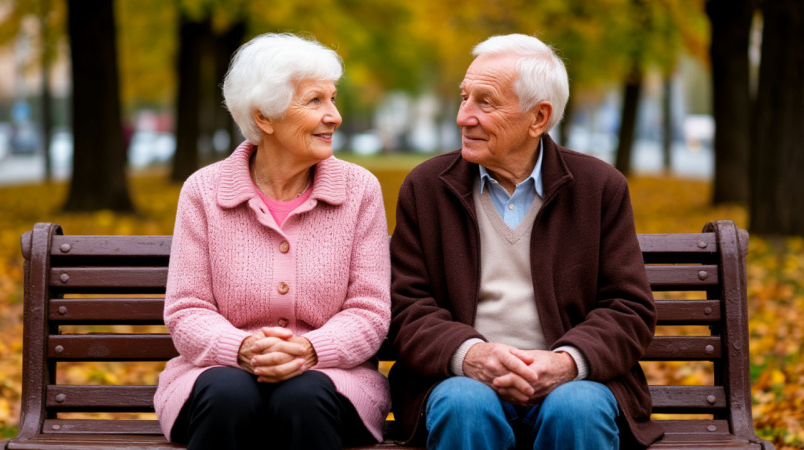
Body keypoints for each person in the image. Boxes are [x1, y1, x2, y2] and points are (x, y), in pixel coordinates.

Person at [388, 34, 663, 450]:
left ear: (539, 118)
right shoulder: (426, 189)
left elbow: (628, 308)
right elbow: (407, 306)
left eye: (485, 102)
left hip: (572, 383)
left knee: (578, 410)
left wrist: (567, 363)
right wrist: (471, 355)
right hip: (459, 380)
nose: (464, 116)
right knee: (463, 404)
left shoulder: (598, 188)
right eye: (464, 98)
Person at [153, 33, 391, 450]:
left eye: (333, 99)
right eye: (315, 101)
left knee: (303, 396)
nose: (334, 116)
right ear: (265, 117)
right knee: (229, 393)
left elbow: (369, 311)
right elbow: (186, 309)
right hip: (215, 375)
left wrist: (308, 351)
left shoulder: (360, 190)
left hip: (333, 378)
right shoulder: (203, 191)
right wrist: (242, 348)